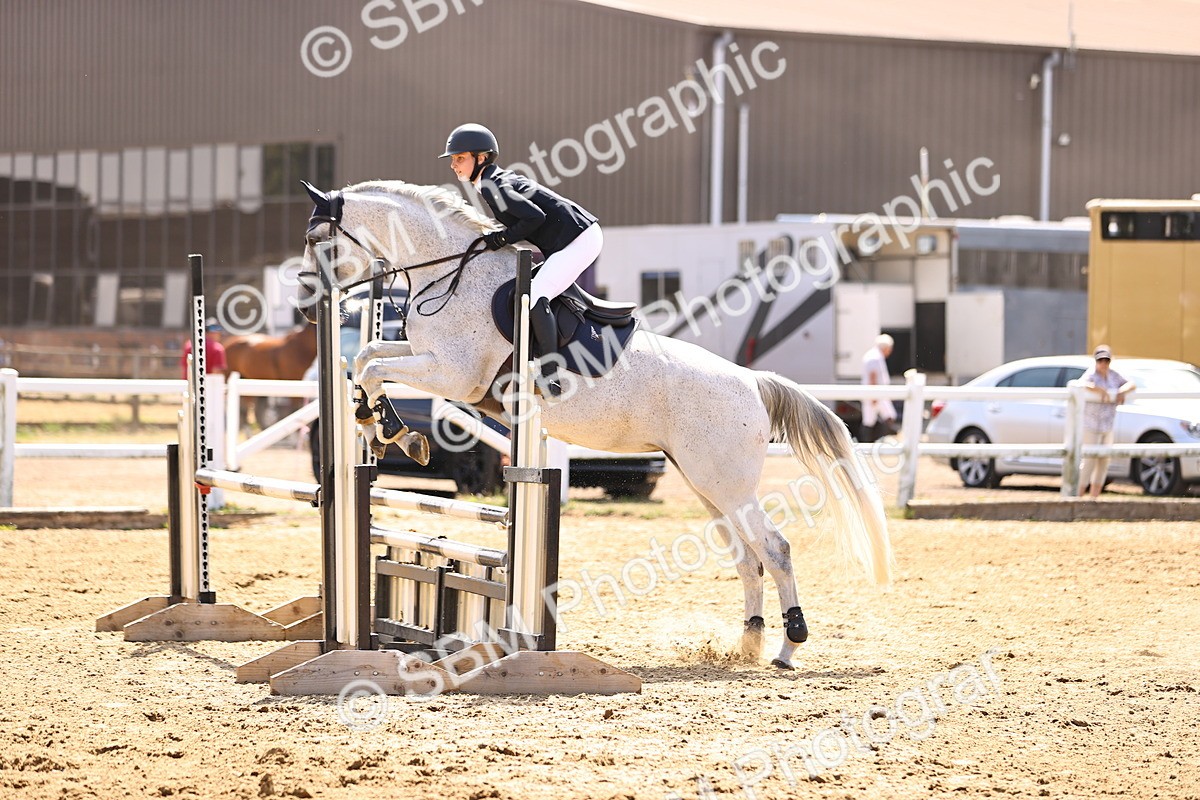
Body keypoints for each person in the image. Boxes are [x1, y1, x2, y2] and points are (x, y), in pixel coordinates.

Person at [439, 123, 601, 393]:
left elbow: (534, 217)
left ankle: (550, 376)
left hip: (580, 239)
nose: (454, 165)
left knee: (536, 295)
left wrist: (502, 239)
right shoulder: (490, 181)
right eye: (454, 159)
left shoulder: (493, 184)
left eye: (460, 158)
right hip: (572, 238)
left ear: (481, 158)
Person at [1078, 344, 1135, 498]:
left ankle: (1094, 498)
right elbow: (1081, 384)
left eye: (1106, 360)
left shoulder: (1114, 376)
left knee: (1104, 461)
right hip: (1091, 425)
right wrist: (1097, 389)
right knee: (1089, 461)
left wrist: (1121, 391)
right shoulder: (1091, 375)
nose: (1103, 364)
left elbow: (1131, 384)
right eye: (1100, 360)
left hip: (1107, 424)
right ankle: (1078, 496)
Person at [859, 334, 897, 443]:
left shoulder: (873, 355)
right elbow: (873, 376)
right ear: (886, 347)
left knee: (869, 420)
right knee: (889, 416)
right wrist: (874, 394)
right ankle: (878, 440)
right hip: (876, 394)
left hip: (875, 393)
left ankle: (869, 443)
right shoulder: (875, 357)